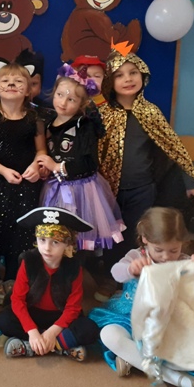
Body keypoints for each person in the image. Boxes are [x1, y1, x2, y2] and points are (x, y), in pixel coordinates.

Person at [98, 51, 194, 269]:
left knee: (139, 234)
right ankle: (112, 276)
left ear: (143, 75)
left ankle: (142, 277)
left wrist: (191, 183)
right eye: (119, 75)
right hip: (108, 190)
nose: (128, 79)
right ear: (110, 82)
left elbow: (173, 150)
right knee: (112, 235)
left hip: (142, 189)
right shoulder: (102, 114)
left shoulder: (151, 112)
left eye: (133, 72)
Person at [90, 206, 194, 387]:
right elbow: (116, 272)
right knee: (109, 335)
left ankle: (131, 358)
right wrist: (130, 269)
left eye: (173, 250)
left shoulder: (185, 262)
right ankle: (179, 380)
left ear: (183, 243)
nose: (166, 257)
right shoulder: (137, 256)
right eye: (158, 250)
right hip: (128, 317)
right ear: (145, 239)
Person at [0, 61, 45, 305]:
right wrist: (3, 171)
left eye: (18, 81)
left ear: (28, 90)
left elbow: (41, 150)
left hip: (25, 187)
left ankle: (13, 276)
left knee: (20, 232)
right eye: (5, 81)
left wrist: (36, 165)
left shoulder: (34, 119)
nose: (11, 84)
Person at [35, 64, 125, 251]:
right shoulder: (48, 122)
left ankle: (80, 266)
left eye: (71, 99)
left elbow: (89, 163)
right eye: (60, 95)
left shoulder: (84, 126)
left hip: (82, 190)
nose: (63, 102)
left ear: (81, 104)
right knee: (56, 236)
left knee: (78, 237)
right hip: (55, 187)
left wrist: (57, 166)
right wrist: (45, 168)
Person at [0, 206, 100, 362]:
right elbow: (17, 300)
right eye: (42, 240)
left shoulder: (74, 267)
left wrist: (52, 332)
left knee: (89, 329)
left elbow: (73, 307)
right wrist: (32, 331)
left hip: (60, 317)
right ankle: (57, 345)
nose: (47, 248)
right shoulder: (28, 261)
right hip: (33, 313)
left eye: (55, 242)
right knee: (3, 320)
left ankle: (35, 346)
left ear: (67, 244)